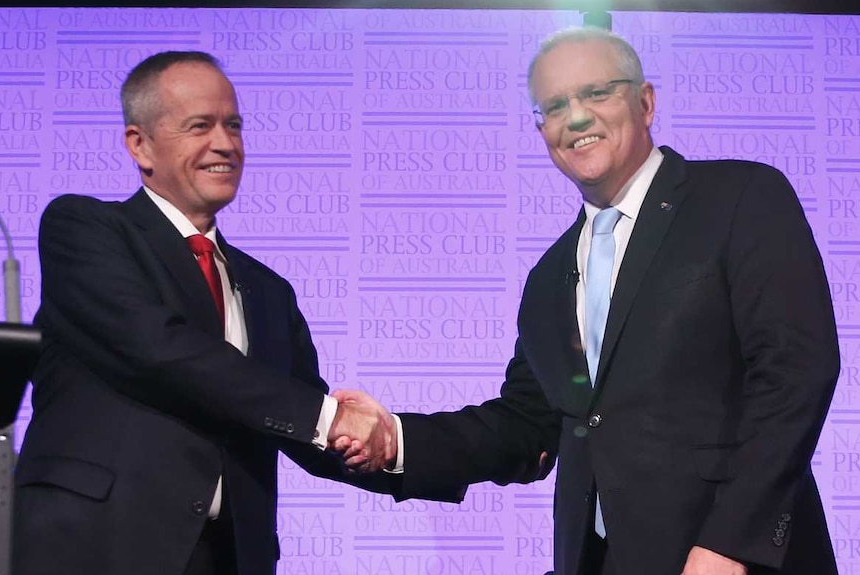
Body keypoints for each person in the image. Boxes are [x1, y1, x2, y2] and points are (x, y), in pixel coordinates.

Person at [336, 26, 840, 575]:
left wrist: (731, 542)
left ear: (645, 102)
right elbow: (526, 425)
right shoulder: (549, 277)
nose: (576, 117)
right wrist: (398, 438)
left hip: (729, 559)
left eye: (597, 93)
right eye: (554, 106)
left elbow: (795, 372)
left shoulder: (740, 199)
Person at [12, 51, 402, 575]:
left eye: (234, 125)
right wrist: (329, 418)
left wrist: (408, 446)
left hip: (229, 557)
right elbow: (158, 349)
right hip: (95, 548)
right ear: (140, 145)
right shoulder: (84, 229)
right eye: (200, 126)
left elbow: (300, 421)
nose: (225, 144)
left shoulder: (268, 290)